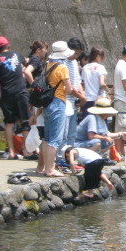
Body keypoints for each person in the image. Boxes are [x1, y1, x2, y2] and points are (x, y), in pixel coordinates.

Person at [0, 36, 31, 159]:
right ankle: (26, 150)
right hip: (21, 92)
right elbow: (27, 65)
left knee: (9, 123)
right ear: (8, 45)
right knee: (25, 121)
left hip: (6, 95)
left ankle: (11, 152)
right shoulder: (17, 55)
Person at [41, 41, 80, 177]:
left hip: (47, 103)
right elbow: (69, 89)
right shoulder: (62, 67)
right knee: (55, 139)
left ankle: (46, 168)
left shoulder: (47, 65)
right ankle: (50, 169)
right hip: (58, 102)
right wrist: (65, 88)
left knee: (47, 138)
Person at [63, 37, 87, 148]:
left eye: (78, 54)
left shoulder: (74, 63)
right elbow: (68, 87)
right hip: (64, 101)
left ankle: (70, 155)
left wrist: (82, 96)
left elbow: (77, 81)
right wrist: (81, 97)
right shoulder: (63, 62)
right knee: (64, 132)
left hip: (73, 102)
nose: (76, 56)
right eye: (75, 53)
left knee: (72, 133)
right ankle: (61, 157)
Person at [80, 46, 109, 117]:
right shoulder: (100, 67)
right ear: (98, 56)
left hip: (87, 99)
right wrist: (106, 88)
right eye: (102, 57)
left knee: (88, 124)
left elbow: (83, 83)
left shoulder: (85, 68)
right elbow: (101, 83)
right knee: (99, 124)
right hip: (98, 100)